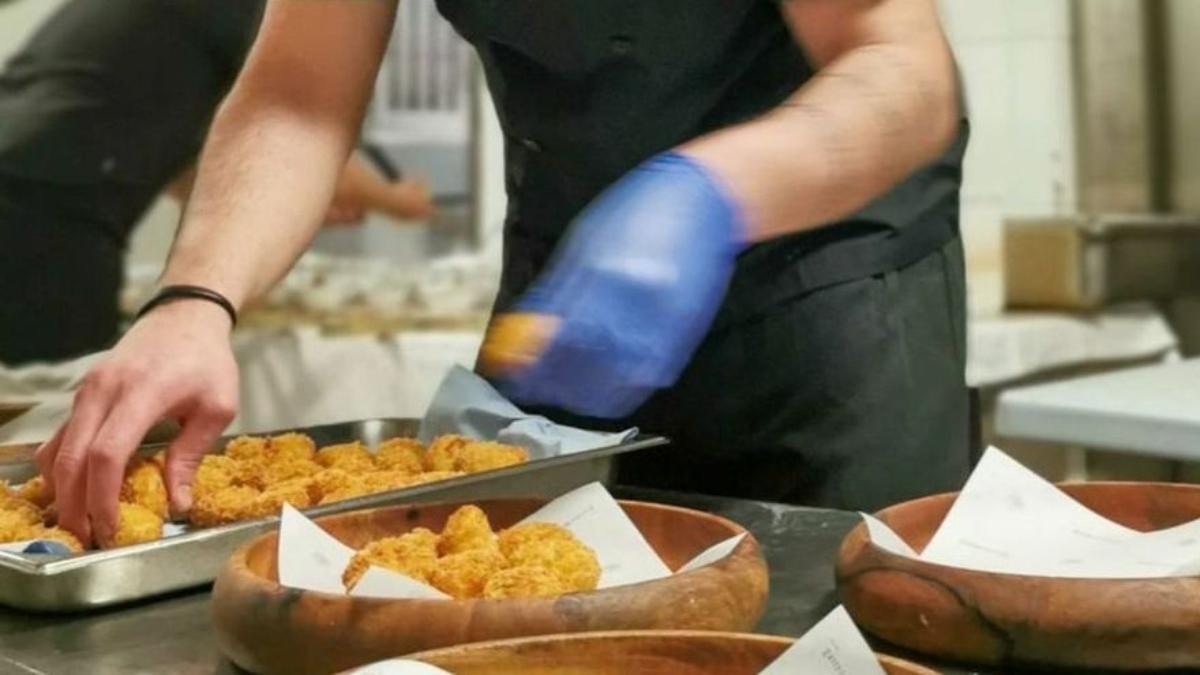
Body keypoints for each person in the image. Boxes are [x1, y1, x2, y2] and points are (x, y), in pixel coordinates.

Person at [38, 0, 970, 547]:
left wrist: (710, 196)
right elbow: (300, 87)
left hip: (828, 297)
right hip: (564, 289)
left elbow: (901, 63)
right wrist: (196, 298)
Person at [0, 0, 432, 366]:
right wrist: (401, 202)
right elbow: (292, 117)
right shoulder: (243, 9)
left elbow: (193, 168)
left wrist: (268, 212)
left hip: (34, 185)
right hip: (48, 216)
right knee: (56, 408)